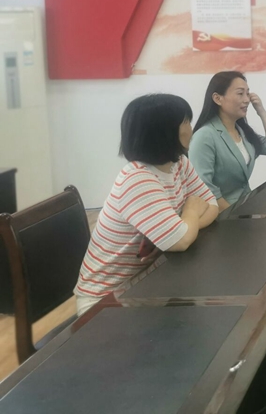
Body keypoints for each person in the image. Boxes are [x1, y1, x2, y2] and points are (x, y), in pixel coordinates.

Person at [74, 94, 218, 316]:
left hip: (148, 281)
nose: (192, 129)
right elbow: (181, 241)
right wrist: (190, 212)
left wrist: (183, 228)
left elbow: (211, 205)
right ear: (164, 132)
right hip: (106, 300)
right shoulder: (138, 180)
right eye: (187, 122)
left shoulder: (178, 163)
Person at [189, 71, 266, 211]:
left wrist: (262, 112)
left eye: (247, 93)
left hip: (245, 206)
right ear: (217, 98)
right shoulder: (204, 136)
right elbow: (204, 187)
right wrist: (232, 215)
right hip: (221, 212)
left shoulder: (241, 130)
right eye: (240, 93)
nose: (247, 100)